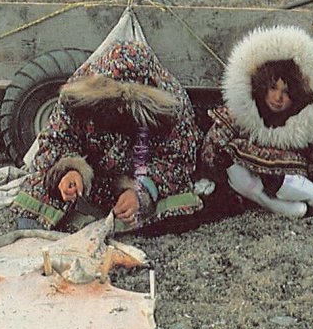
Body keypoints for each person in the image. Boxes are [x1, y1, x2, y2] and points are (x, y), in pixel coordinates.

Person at [12, 39, 202, 231]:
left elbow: (177, 162)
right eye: (112, 105)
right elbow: (54, 142)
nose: (119, 112)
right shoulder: (77, 97)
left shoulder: (170, 107)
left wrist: (140, 192)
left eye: (127, 107)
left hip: (140, 177)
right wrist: (69, 171)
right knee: (37, 192)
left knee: (180, 203)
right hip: (92, 182)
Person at [200, 25, 313, 218]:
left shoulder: (305, 121)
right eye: (273, 88)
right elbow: (214, 143)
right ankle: (275, 203)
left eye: (286, 92)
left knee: (287, 180)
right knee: (234, 163)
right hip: (249, 181)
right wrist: (211, 173)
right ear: (262, 86)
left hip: (292, 178)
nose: (278, 97)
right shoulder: (245, 112)